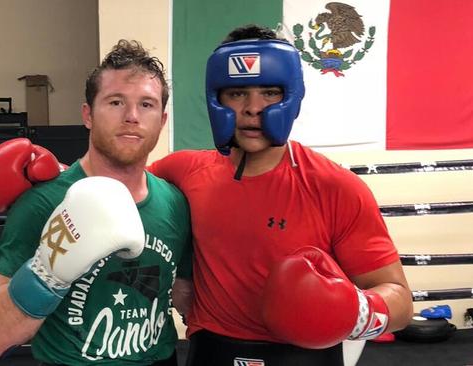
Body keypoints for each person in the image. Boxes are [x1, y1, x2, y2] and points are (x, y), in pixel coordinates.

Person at [147, 24, 414, 365]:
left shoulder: (335, 186)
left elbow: (401, 303)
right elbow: (118, 188)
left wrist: (354, 310)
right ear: (217, 98)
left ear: (292, 96)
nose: (253, 108)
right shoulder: (182, 171)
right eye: (237, 93)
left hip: (305, 357)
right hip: (211, 352)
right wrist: (61, 177)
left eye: (269, 92)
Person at [0, 40, 192, 366]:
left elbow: (184, 295)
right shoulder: (44, 201)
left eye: (146, 105)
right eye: (116, 102)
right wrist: (48, 270)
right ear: (88, 115)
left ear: (161, 121)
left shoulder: (174, 203)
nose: (132, 116)